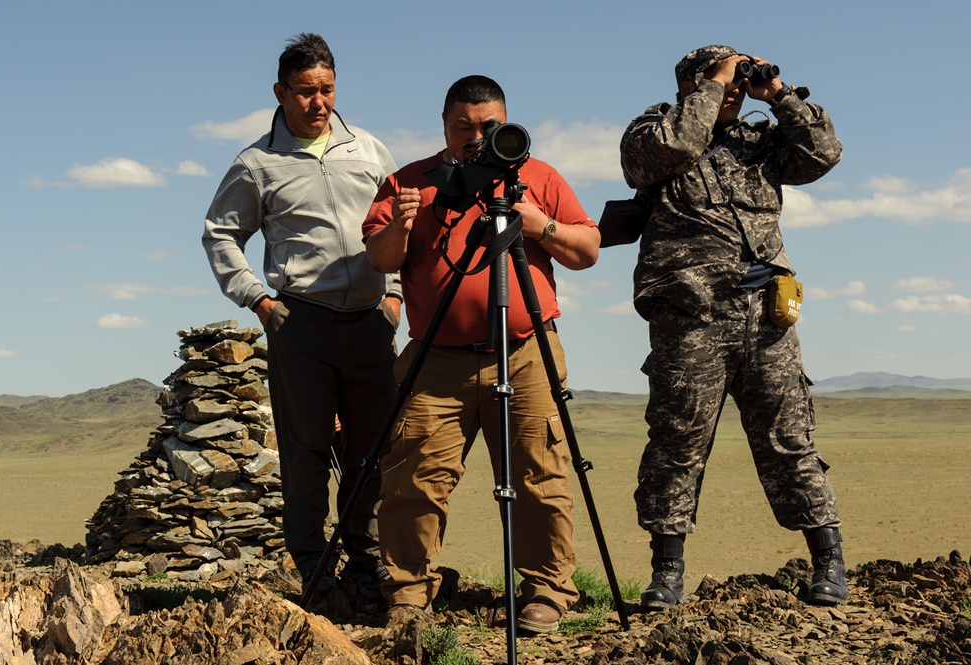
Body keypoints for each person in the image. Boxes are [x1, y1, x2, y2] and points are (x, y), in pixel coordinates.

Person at [362, 75, 600, 634]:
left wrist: (538, 224)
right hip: (435, 358)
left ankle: (546, 590)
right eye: (461, 127)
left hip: (525, 351)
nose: (474, 138)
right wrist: (402, 221)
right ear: (443, 126)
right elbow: (379, 259)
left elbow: (587, 250)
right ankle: (408, 591)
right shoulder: (410, 181)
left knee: (540, 472)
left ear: (507, 122)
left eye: (486, 126)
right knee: (413, 475)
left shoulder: (537, 179)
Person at [619, 45, 847, 610]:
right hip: (690, 319)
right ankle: (666, 574)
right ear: (691, 85)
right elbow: (668, 150)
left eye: (739, 81)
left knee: (789, 440)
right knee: (676, 443)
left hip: (765, 318)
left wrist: (779, 96)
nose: (736, 90)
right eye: (725, 81)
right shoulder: (654, 131)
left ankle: (828, 562)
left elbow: (823, 154)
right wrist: (713, 86)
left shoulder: (759, 143)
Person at [202, 32, 400, 589]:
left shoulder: (368, 149)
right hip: (300, 320)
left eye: (328, 89)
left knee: (373, 446)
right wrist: (259, 300)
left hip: (369, 321)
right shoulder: (256, 163)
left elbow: (404, 224)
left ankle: (367, 557)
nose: (319, 103)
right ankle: (313, 561)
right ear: (281, 92)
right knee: (306, 446)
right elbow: (219, 235)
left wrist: (395, 296)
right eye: (306, 91)